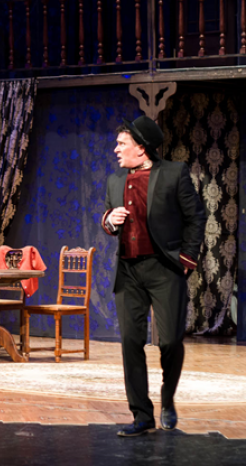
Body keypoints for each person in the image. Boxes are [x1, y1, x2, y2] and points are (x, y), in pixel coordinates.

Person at [102, 115, 206, 437]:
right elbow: (108, 220)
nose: (116, 149)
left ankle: (167, 397)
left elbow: (196, 217)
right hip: (129, 271)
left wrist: (186, 259)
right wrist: (110, 219)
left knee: (171, 340)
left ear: (141, 148)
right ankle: (141, 415)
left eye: (122, 144)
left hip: (164, 269)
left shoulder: (173, 173)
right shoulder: (115, 180)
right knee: (131, 342)